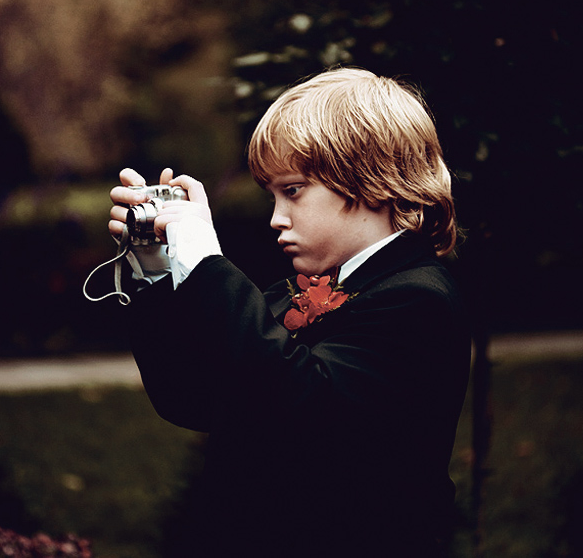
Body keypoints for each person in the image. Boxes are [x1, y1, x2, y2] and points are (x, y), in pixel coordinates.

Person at [103, 67, 471, 557]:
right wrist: (159, 271)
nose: (276, 217)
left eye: (293, 191)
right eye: (272, 196)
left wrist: (208, 265)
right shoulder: (302, 289)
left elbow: (304, 409)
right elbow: (192, 398)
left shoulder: (416, 297)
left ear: (372, 181)